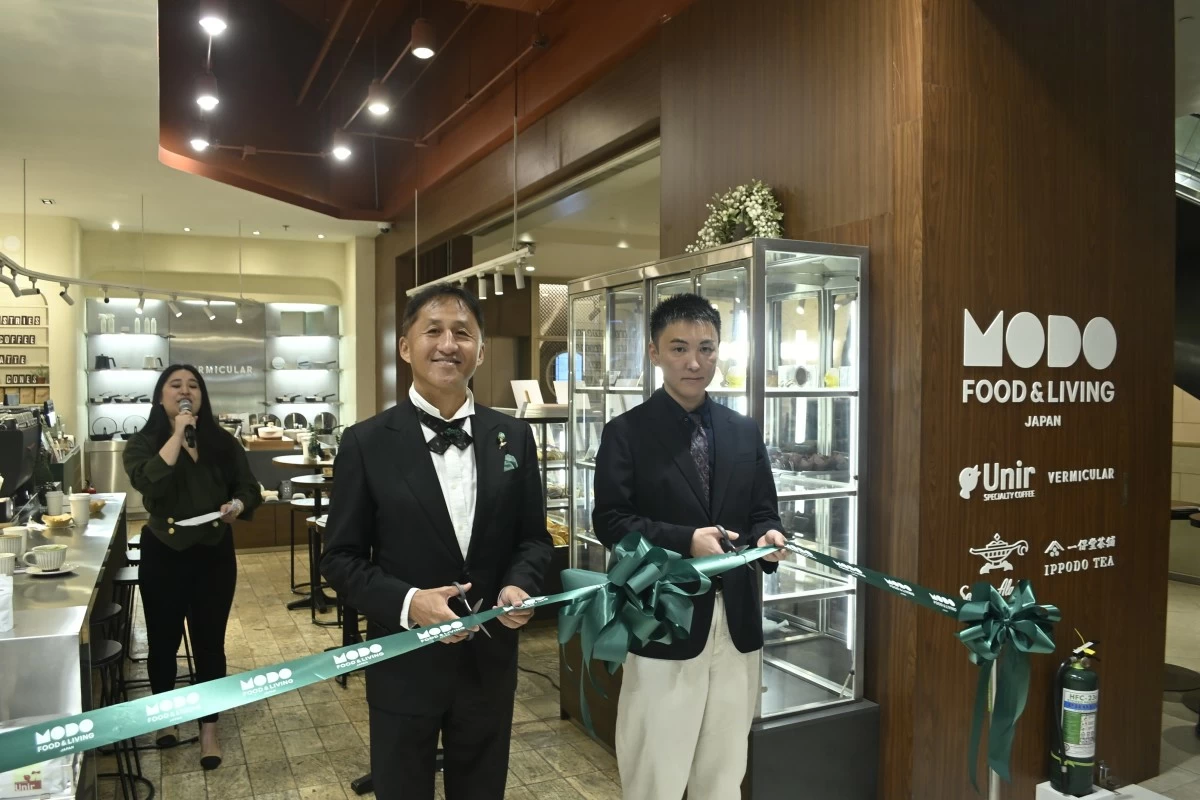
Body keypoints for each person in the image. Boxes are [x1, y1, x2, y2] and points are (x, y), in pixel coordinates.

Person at [321, 283, 553, 800]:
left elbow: (533, 540)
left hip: (489, 666)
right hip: (404, 662)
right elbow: (339, 559)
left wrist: (520, 584)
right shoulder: (365, 442)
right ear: (406, 347)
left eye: (463, 333)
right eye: (433, 330)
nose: (449, 343)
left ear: (480, 350)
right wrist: (409, 602)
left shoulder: (512, 436)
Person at [592, 293, 788, 800]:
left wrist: (769, 537)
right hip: (665, 619)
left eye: (706, 348)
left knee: (723, 771)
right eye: (679, 348)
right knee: (656, 766)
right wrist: (684, 542)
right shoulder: (626, 433)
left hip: (739, 619)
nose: (694, 362)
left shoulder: (743, 431)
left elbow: (763, 509)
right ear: (654, 352)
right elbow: (611, 522)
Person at [123, 364, 262, 770]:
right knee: (163, 640)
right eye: (175, 385)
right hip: (163, 551)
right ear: (160, 396)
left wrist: (238, 505)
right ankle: (165, 715)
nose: (186, 391)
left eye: (193, 386)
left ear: (203, 395)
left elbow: (248, 487)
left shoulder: (222, 441)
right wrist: (178, 433)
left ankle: (209, 727)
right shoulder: (143, 442)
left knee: (209, 643)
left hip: (213, 552)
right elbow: (148, 482)